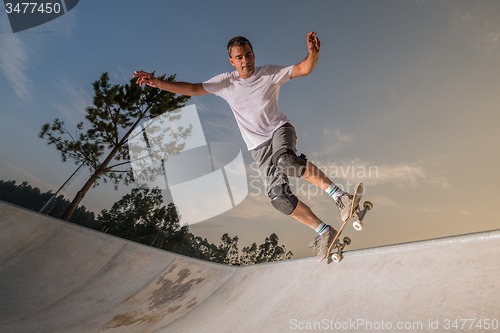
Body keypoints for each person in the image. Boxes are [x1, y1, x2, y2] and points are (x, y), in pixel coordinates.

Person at [134, 31, 355, 262]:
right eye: (239, 57)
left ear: (254, 55)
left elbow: (303, 68)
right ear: (232, 61)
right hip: (258, 148)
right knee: (280, 199)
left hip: (279, 129)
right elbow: (192, 88)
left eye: (248, 55)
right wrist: (158, 83)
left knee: (287, 161)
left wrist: (312, 55)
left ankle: (341, 197)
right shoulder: (225, 83)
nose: (245, 61)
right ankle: (324, 232)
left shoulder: (268, 73)